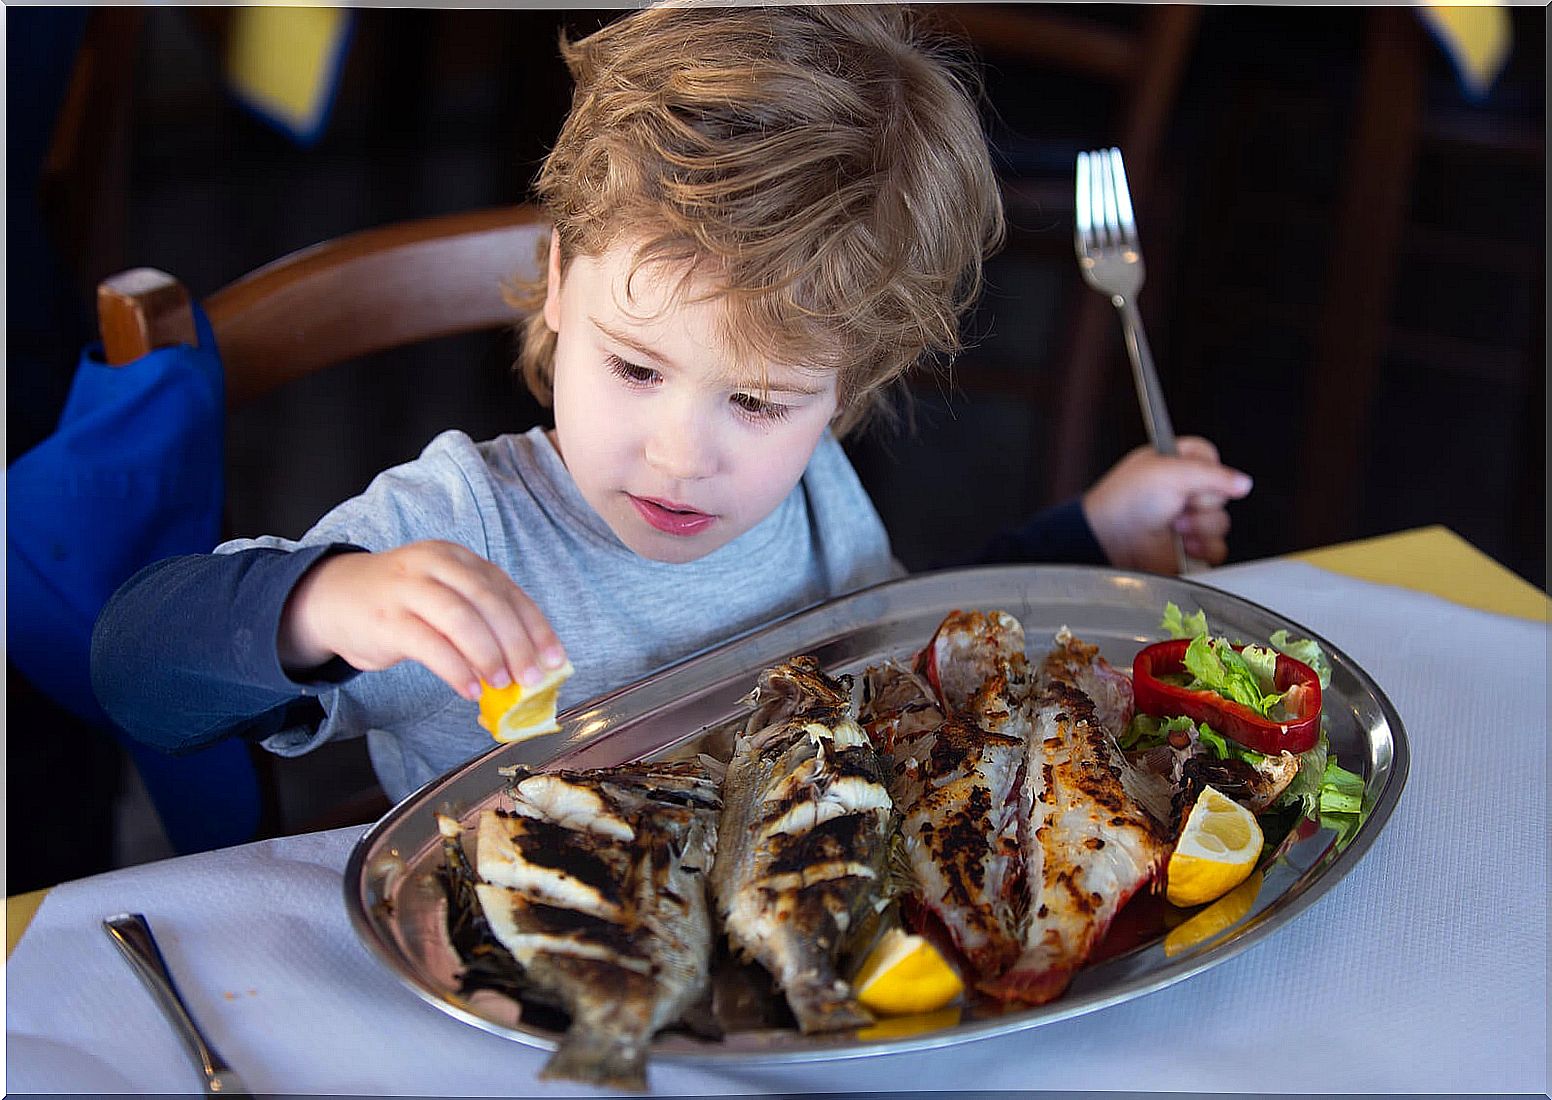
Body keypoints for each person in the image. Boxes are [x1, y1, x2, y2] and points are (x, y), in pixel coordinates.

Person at [90, 6, 1251, 805]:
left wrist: (1088, 538)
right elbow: (132, 665)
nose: (679, 451)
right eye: (636, 368)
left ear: (849, 385)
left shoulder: (813, 496)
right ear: (558, 282)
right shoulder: (457, 531)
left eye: (757, 398)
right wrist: (323, 603)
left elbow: (905, 642)